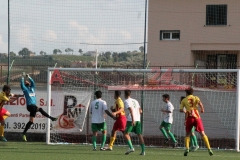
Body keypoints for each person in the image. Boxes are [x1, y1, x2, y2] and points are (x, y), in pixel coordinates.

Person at [20, 73, 58, 142]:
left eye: (27, 81)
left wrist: (29, 77)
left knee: (31, 121)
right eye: (26, 82)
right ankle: (51, 118)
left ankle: (23, 133)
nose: (27, 81)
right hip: (30, 106)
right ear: (26, 84)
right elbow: (22, 85)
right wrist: (22, 78)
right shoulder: (25, 90)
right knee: (40, 109)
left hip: (33, 106)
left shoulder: (32, 88)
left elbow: (33, 83)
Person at [180, 88, 213, 156]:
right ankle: (209, 149)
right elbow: (200, 103)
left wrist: (184, 111)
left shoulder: (184, 100)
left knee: (187, 134)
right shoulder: (195, 97)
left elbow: (181, 109)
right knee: (202, 133)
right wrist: (202, 109)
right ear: (192, 92)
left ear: (186, 93)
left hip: (189, 118)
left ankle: (187, 148)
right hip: (197, 117)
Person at [123, 89, 145, 155]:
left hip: (131, 120)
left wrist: (133, 119)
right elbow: (141, 111)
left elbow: (131, 110)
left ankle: (131, 147)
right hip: (138, 119)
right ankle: (143, 151)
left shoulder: (126, 101)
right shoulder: (135, 101)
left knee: (126, 133)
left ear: (125, 94)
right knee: (139, 135)